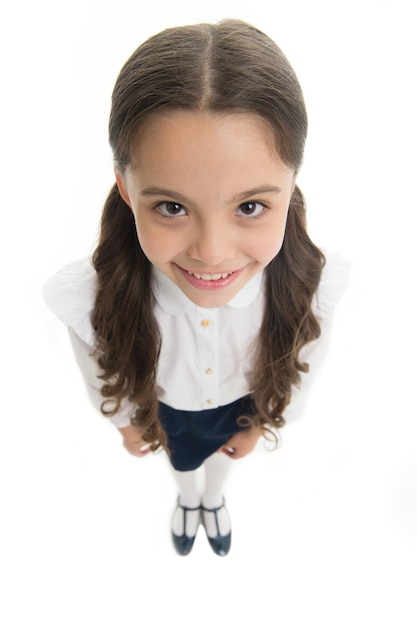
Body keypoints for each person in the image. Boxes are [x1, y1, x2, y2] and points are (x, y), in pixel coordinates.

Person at [43, 19, 349, 557]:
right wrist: (124, 422)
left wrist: (268, 419)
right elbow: (97, 373)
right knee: (183, 462)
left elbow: (307, 360)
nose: (211, 252)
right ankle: (188, 500)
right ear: (125, 186)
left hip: (241, 405)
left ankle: (213, 500)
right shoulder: (91, 299)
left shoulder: (311, 285)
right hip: (168, 412)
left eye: (250, 207)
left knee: (223, 466)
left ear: (291, 185)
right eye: (172, 207)